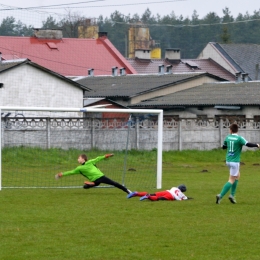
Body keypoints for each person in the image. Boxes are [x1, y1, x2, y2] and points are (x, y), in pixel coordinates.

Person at [216, 123, 260, 204]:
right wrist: (257, 145)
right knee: (231, 179)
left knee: (237, 176)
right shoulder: (239, 138)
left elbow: (223, 147)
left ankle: (232, 196)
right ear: (237, 130)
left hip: (228, 161)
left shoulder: (228, 137)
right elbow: (248, 144)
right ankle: (221, 195)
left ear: (231, 130)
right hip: (235, 162)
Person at [55, 153, 132, 194]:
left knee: (114, 183)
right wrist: (62, 174)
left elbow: (98, 158)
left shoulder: (90, 162)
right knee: (85, 187)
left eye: (79, 158)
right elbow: (71, 172)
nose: (78, 159)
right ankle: (91, 183)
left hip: (100, 177)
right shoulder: (79, 168)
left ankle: (127, 190)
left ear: (83, 158)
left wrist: (106, 156)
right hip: (97, 179)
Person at [127, 184, 193, 201]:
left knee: (153, 194)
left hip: (167, 191)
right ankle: (148, 197)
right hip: (170, 196)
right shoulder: (182, 195)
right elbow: (186, 198)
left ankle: (137, 193)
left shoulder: (174, 187)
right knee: (158, 198)